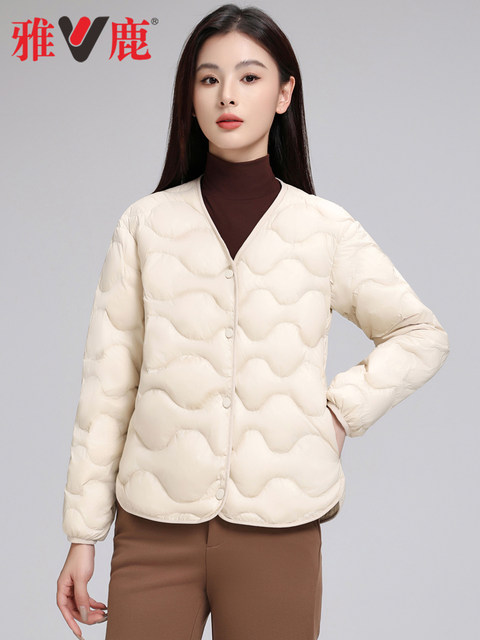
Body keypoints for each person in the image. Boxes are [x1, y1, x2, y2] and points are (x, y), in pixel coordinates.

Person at [56, 4, 450, 640]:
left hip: (279, 530)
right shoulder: (146, 225)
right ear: (190, 98)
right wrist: (82, 535)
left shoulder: (324, 230)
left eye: (248, 77)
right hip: (153, 530)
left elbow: (420, 334)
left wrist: (339, 412)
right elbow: (108, 386)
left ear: (284, 93)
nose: (227, 96)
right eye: (208, 79)